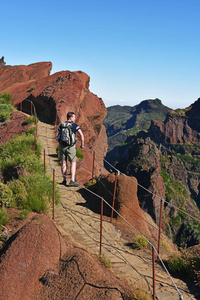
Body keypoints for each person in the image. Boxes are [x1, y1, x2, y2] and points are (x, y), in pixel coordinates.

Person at [57, 112, 84, 186]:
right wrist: (82, 144)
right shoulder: (75, 125)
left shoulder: (62, 125)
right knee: (73, 162)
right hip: (71, 146)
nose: (75, 118)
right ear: (71, 117)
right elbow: (81, 134)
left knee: (63, 162)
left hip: (62, 146)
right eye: (74, 117)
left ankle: (64, 180)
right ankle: (72, 180)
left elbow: (58, 135)